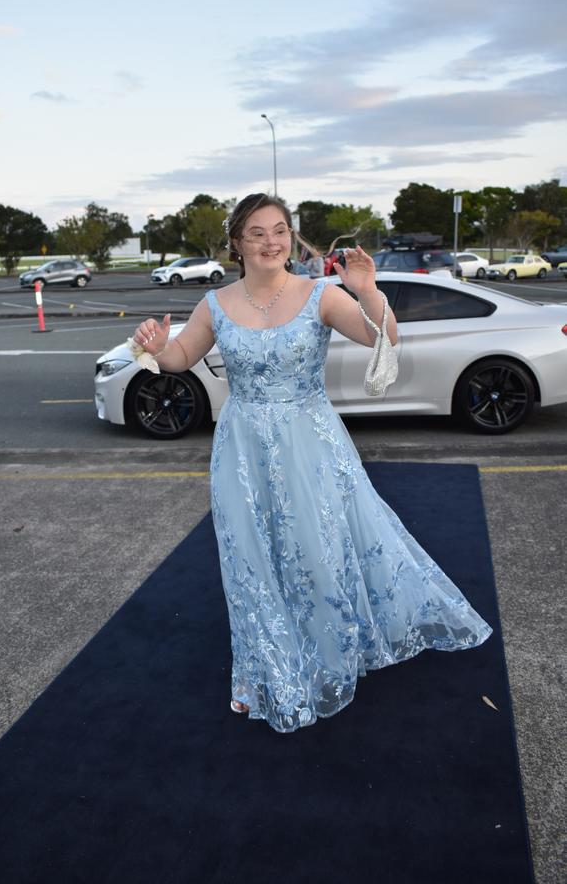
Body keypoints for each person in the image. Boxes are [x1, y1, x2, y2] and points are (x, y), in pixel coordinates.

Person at [131, 193, 492, 733]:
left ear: (290, 237)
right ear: (237, 242)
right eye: (257, 232)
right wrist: (158, 348)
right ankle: (262, 670)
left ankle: (331, 651)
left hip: (310, 439)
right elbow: (181, 358)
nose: (271, 241)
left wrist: (367, 291)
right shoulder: (214, 302)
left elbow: (381, 339)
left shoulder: (318, 293)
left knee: (316, 546)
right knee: (251, 552)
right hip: (243, 445)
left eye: (280, 230)